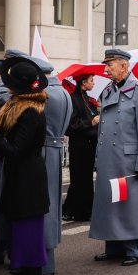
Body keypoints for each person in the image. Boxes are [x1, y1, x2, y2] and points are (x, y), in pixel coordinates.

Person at [0, 57, 52, 275]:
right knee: (18, 238)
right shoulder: (18, 105)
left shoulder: (30, 111)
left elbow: (15, 150)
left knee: (29, 239)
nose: (4, 84)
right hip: (20, 179)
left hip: (28, 182)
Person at [90, 49, 138, 265]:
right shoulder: (108, 90)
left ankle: (135, 248)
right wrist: (99, 157)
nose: (106, 70)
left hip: (127, 161)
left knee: (128, 204)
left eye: (110, 65)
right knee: (111, 203)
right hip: (110, 158)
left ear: (124, 67)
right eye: (106, 65)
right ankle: (114, 246)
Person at [31, 58, 72, 275]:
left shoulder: (45, 94)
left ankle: (43, 265)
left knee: (41, 208)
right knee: (52, 207)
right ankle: (47, 263)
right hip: (54, 150)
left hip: (43, 151)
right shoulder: (63, 92)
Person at [63, 74, 99, 222]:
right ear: (83, 83)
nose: (94, 83)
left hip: (89, 143)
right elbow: (72, 125)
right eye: (91, 80)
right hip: (79, 144)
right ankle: (79, 211)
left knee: (85, 178)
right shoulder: (74, 98)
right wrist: (91, 122)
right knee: (79, 178)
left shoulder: (87, 98)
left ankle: (78, 209)